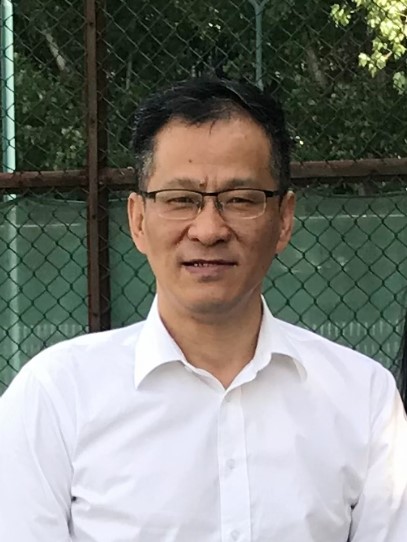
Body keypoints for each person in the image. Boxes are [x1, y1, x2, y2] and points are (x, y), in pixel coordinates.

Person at [0, 77, 406, 542]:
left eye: (240, 199)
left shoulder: (363, 398)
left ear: (284, 219)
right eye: (180, 200)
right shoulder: (55, 397)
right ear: (137, 220)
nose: (209, 229)